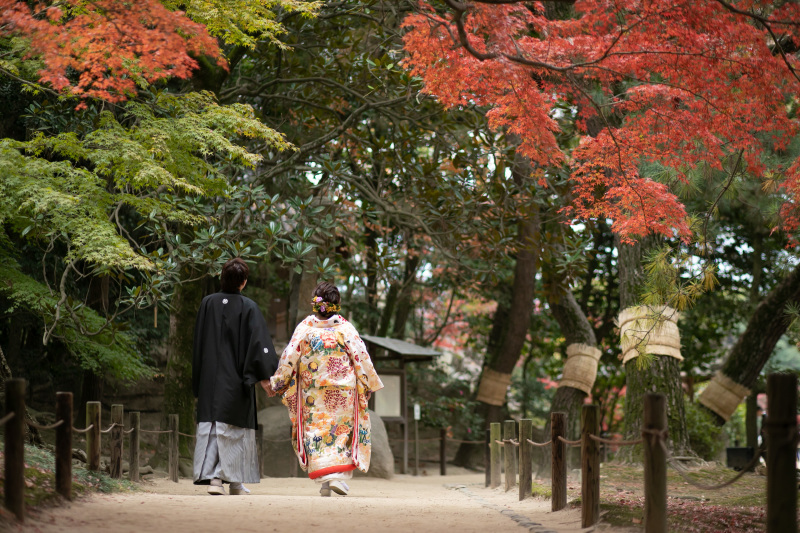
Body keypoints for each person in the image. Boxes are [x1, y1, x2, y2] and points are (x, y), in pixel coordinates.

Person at [266, 281, 383, 496]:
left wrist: (279, 381)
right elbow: (362, 358)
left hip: (314, 393)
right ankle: (333, 479)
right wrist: (369, 383)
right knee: (339, 434)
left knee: (317, 434)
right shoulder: (345, 328)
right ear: (336, 304)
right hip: (343, 392)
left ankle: (327, 480)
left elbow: (289, 357)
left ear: (315, 304)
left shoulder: (305, 328)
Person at [192, 258, 278, 495]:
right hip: (237, 380)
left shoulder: (207, 304)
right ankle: (219, 480)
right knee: (233, 429)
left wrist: (197, 379)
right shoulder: (249, 307)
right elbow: (259, 344)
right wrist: (264, 377)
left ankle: (233, 481)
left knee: (214, 428)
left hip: (210, 379)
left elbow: (198, 344)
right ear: (244, 282)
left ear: (222, 278)